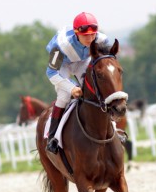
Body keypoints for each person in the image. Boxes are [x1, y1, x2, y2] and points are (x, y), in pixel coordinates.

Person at [45, 12, 109, 154]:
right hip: (63, 65)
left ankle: (113, 127)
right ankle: (52, 137)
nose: (90, 39)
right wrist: (71, 87)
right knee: (63, 96)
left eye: (93, 35)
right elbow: (51, 73)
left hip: (82, 62)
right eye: (85, 35)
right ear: (76, 34)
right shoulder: (60, 45)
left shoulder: (102, 40)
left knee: (96, 90)